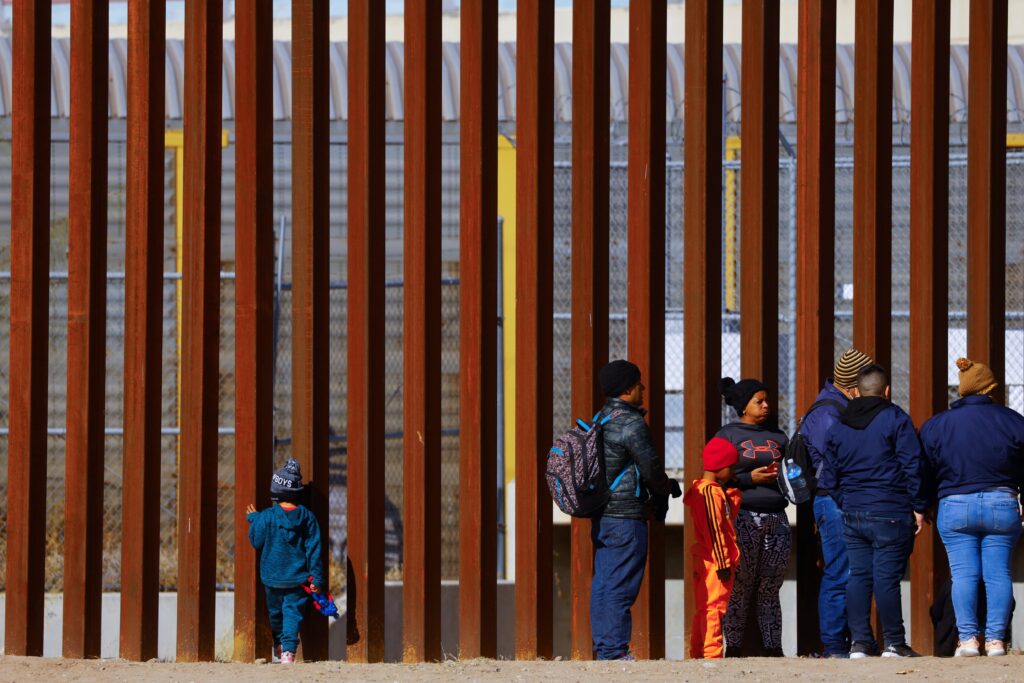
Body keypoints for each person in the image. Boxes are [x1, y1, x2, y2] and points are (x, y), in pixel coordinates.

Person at [820, 364, 930, 658]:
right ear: (887, 391)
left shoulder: (839, 425)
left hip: (854, 512)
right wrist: (919, 506)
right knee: (886, 578)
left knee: (858, 576)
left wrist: (848, 501)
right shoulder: (895, 418)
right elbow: (913, 465)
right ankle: (894, 642)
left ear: (856, 391)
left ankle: (860, 642)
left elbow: (828, 476)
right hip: (890, 510)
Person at [920, 358, 1024, 657]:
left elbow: (923, 468)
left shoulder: (937, 424)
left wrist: (922, 503)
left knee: (963, 574)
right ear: (991, 388)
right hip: (1002, 503)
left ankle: (967, 640)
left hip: (954, 505)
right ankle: (995, 641)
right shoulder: (1013, 421)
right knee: (998, 574)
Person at [590, 359, 682, 660]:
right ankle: (615, 653)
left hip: (603, 515)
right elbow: (651, 469)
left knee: (604, 584)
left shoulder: (600, 419)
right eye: (639, 383)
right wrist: (667, 487)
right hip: (626, 516)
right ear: (628, 389)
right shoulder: (630, 424)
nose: (643, 388)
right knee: (620, 586)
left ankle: (605, 649)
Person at [799, 347, 875, 658]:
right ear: (855, 382)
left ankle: (847, 641)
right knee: (840, 571)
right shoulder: (829, 413)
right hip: (834, 501)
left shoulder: (836, 409)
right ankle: (834, 645)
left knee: (850, 570)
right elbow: (835, 464)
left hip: (840, 500)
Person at [716, 377, 790, 657]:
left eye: (767, 400)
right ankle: (732, 648)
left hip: (777, 518)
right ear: (744, 406)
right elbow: (717, 475)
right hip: (743, 516)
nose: (766, 405)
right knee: (741, 586)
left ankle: (774, 648)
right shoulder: (728, 435)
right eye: (759, 401)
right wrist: (748, 478)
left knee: (770, 586)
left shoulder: (779, 436)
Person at [247, 458, 327, 664]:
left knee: (276, 615)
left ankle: (280, 645)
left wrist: (254, 519)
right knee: (292, 615)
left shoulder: (266, 517)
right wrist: (316, 578)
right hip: (298, 580)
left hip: (272, 579)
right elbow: (314, 548)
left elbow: (256, 541)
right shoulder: (308, 517)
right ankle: (288, 653)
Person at [685, 437, 743, 659]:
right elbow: (715, 531)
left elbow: (724, 520)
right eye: (731, 467)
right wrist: (723, 563)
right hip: (714, 561)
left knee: (704, 607)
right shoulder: (709, 493)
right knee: (714, 608)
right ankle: (712, 654)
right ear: (720, 467)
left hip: (707, 558)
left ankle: (699, 652)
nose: (733, 471)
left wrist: (733, 494)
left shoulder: (710, 491)